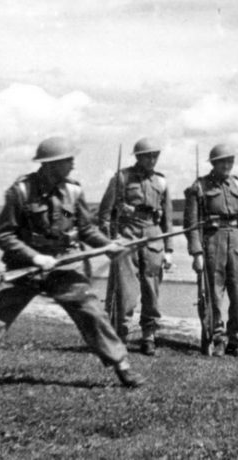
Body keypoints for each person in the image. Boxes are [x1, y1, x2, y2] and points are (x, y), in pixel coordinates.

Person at [0, 137, 144, 395]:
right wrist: (35, 257)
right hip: (25, 269)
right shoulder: (20, 192)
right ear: (51, 164)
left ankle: (122, 366)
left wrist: (108, 245)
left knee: (92, 314)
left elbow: (86, 229)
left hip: (63, 269)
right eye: (68, 160)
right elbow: (4, 235)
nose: (73, 165)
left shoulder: (73, 191)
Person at [97, 138, 174, 356]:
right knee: (125, 291)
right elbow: (103, 215)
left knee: (152, 290)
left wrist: (169, 250)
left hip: (153, 238)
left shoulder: (161, 182)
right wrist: (110, 241)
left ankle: (148, 336)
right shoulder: (121, 178)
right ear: (138, 157)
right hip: (127, 236)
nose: (152, 159)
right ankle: (120, 334)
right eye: (147, 155)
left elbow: (168, 219)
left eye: (155, 156)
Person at [183, 144, 238, 357]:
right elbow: (191, 223)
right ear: (214, 163)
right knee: (213, 295)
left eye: (230, 161)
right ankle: (217, 338)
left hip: (237, 242)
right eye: (222, 161)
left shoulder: (237, 184)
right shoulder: (199, 186)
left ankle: (236, 340)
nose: (227, 165)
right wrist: (196, 253)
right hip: (212, 243)